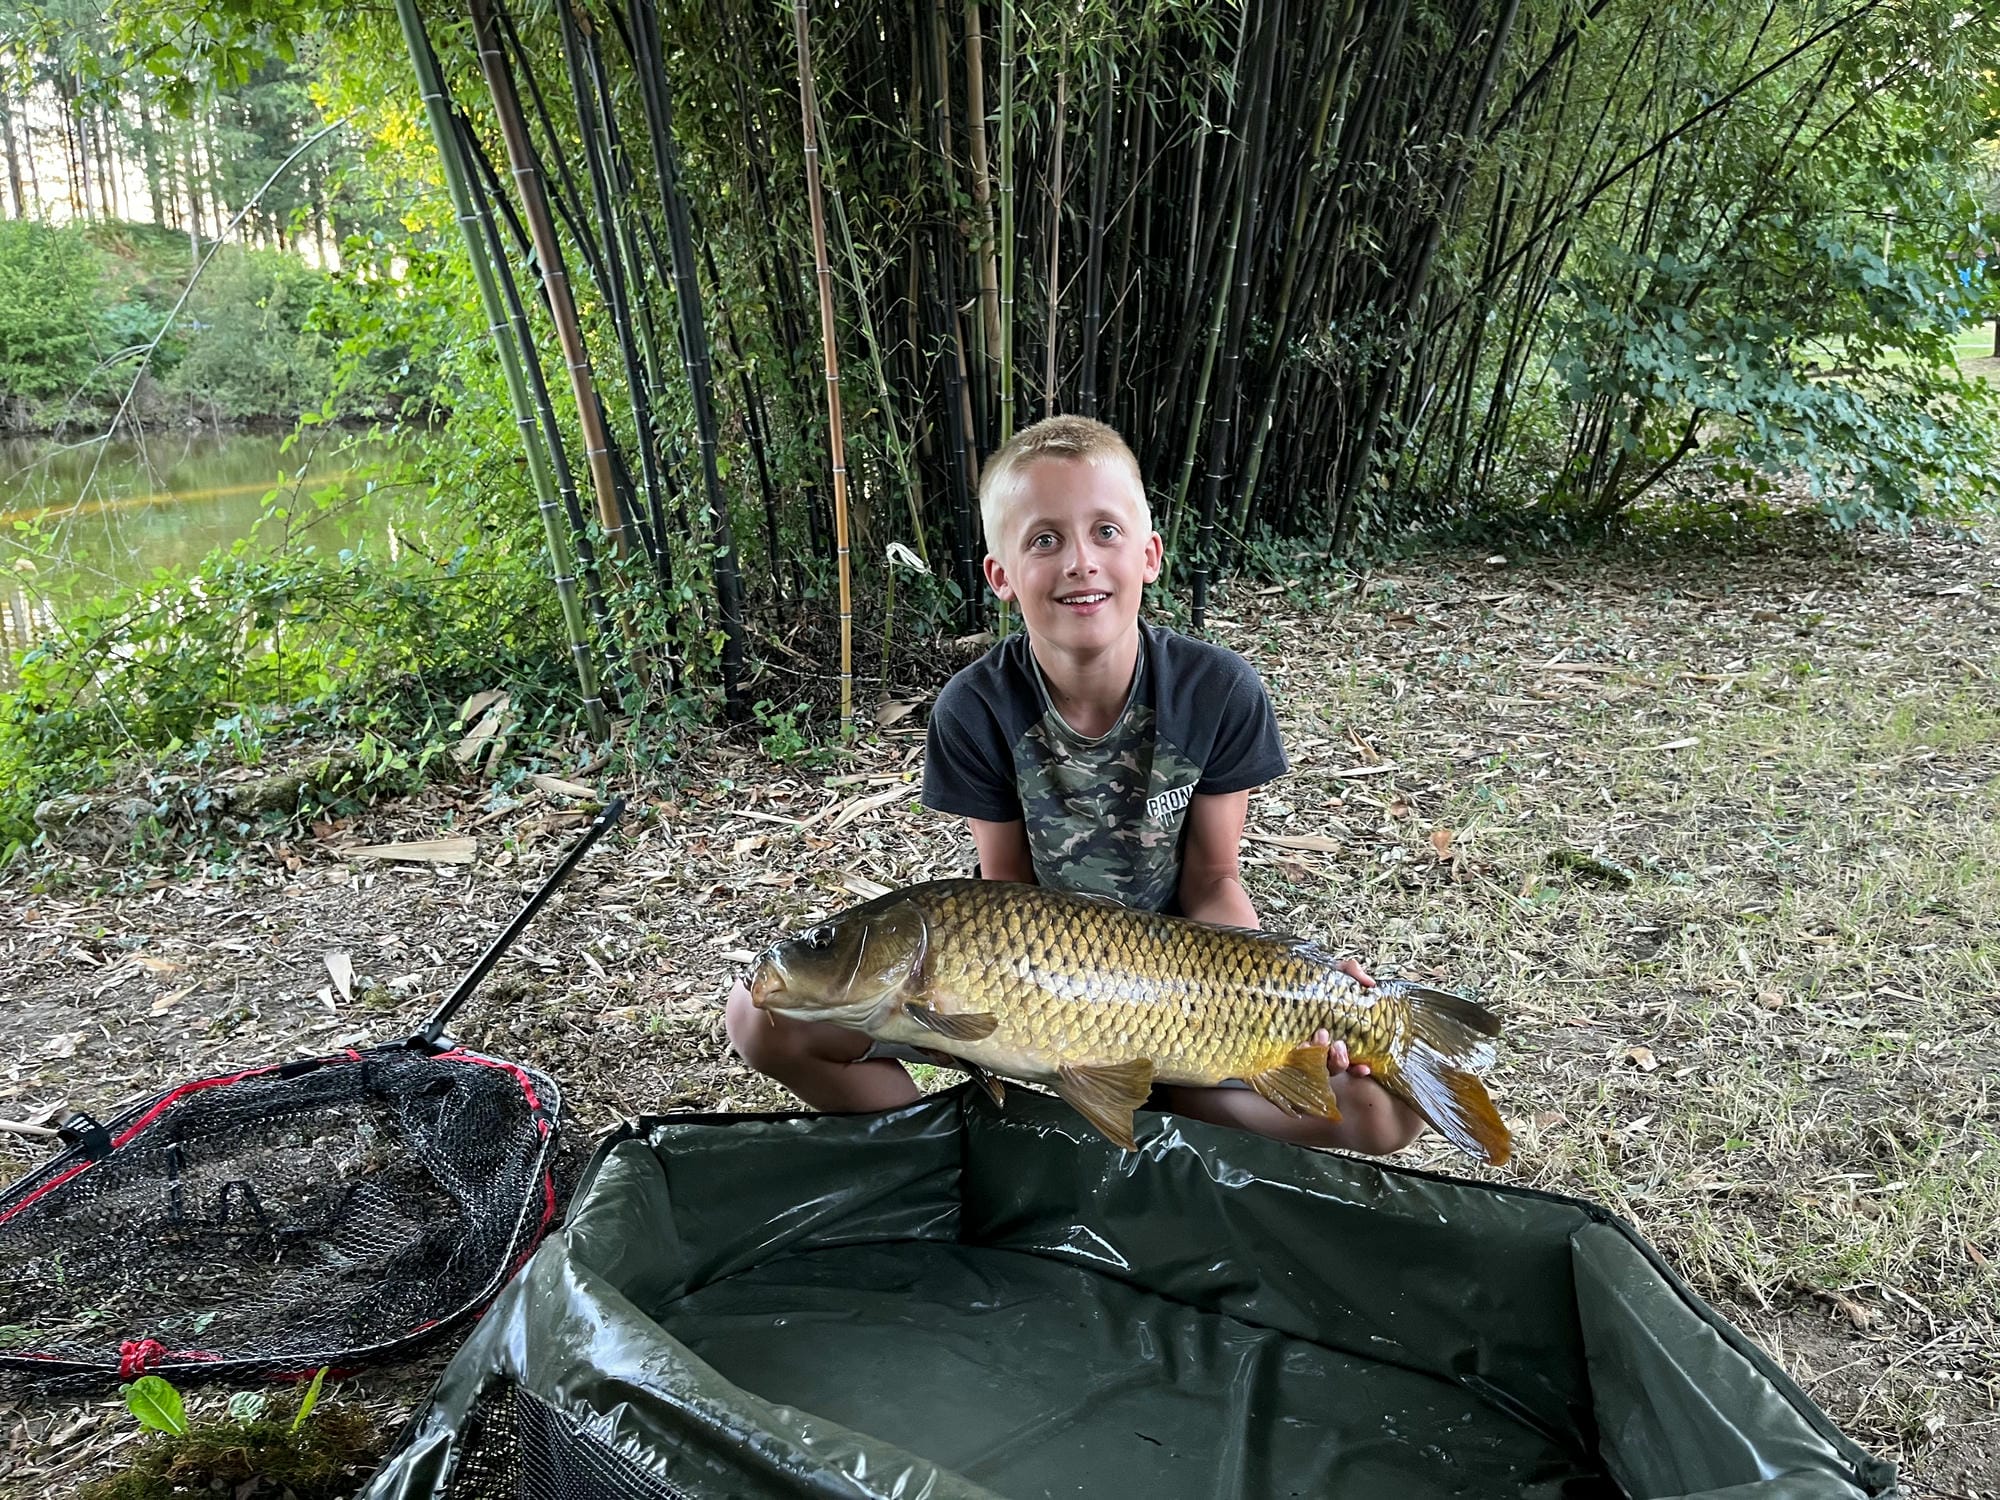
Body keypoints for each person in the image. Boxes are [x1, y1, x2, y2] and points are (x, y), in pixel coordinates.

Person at [724, 415, 1423, 1156]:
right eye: (1044, 540)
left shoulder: (1218, 690)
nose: (1080, 561)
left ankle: (1161, 1126)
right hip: (1024, 996)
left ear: (1150, 556)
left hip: (1179, 993)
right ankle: (947, 1156)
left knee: (1387, 1112)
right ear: (1001, 576)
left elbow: (1216, 881)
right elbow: (1006, 892)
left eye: (1106, 533)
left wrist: (1291, 990)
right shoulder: (976, 706)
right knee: (757, 1020)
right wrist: (1033, 1045)